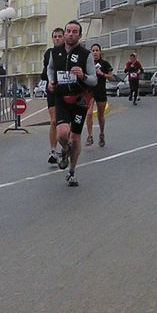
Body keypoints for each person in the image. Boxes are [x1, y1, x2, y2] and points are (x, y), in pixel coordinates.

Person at [46, 20, 97, 187]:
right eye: (68, 31)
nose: (70, 34)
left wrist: (82, 75)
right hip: (61, 97)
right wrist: (50, 81)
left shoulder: (85, 54)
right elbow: (51, 68)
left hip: (79, 100)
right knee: (62, 133)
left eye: (74, 31)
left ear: (80, 35)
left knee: (75, 137)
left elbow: (94, 80)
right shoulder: (55, 52)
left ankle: (72, 171)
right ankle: (65, 149)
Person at [43, 27, 65, 165]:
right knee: (54, 121)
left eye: (59, 36)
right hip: (52, 88)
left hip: (66, 89)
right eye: (55, 36)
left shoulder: (69, 52)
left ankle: (65, 149)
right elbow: (47, 70)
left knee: (63, 123)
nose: (57, 38)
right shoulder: (48, 53)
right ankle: (53, 150)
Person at [86, 43, 113, 147]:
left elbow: (112, 77)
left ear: (100, 52)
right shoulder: (88, 64)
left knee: (100, 116)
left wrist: (102, 74)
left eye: (97, 50)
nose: (95, 52)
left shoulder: (104, 63)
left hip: (101, 91)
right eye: (93, 50)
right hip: (90, 92)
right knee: (88, 114)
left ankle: (101, 134)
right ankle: (90, 136)